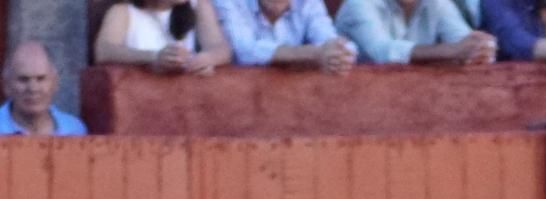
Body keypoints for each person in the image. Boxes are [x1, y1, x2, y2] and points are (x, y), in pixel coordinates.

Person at [213, 0, 358, 73]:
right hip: (239, 103)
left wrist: (338, 53)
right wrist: (314, 54)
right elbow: (245, 51)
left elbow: (334, 44)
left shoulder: (307, 3)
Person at [334, 0, 498, 64]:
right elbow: (383, 52)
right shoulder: (358, 4)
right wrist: (450, 51)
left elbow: (464, 42)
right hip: (360, 105)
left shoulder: (437, 4)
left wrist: (480, 49)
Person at [94, 1, 234, 75]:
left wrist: (204, 60)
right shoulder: (123, 11)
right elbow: (104, 51)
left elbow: (221, 48)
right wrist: (153, 57)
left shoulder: (198, 5)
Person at [1, 42, 89, 136]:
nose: (33, 88)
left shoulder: (74, 130)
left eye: (41, 79)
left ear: (55, 83)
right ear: (6, 85)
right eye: (23, 79)